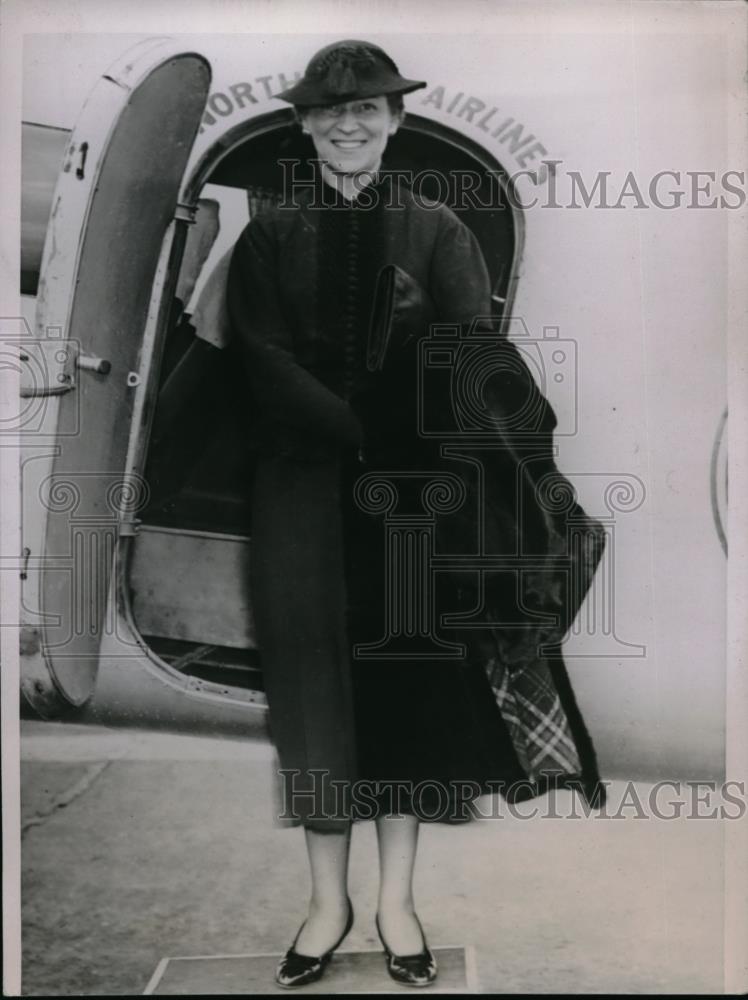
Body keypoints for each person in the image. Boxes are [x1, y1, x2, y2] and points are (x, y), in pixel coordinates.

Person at [226, 39, 604, 990]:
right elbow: (258, 359)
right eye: (329, 111)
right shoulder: (268, 235)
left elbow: (474, 356)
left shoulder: (440, 227)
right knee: (312, 703)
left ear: (395, 122)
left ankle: (395, 903)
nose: (348, 124)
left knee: (400, 695)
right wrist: (349, 426)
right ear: (306, 126)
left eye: (368, 110)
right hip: (302, 494)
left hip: (413, 502)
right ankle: (326, 904)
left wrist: (406, 431)